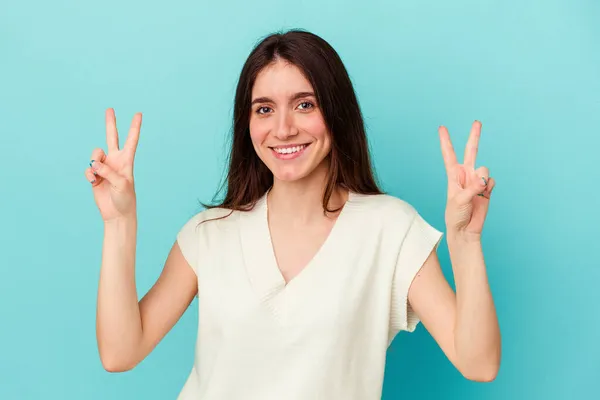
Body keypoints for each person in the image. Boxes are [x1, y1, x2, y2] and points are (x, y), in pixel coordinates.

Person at [85, 29, 501, 399]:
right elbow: (121, 352)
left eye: (304, 104)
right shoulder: (210, 234)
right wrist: (118, 223)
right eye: (264, 109)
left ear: (337, 114)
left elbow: (478, 364)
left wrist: (465, 241)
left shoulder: (390, 230)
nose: (283, 129)